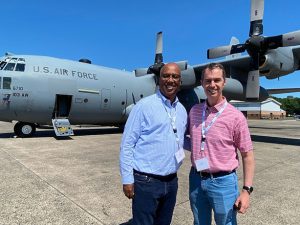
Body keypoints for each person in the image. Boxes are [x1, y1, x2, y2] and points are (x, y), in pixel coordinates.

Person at [120, 63, 187, 225]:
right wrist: (127, 179)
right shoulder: (143, 106)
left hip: (171, 182)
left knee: (164, 222)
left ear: (180, 81)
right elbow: (127, 144)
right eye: (166, 76)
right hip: (146, 182)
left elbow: (181, 137)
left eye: (175, 76)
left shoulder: (182, 110)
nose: (170, 80)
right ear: (159, 79)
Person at [188, 63, 255, 225]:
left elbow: (247, 155)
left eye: (217, 80)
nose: (212, 85)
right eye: (208, 80)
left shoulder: (236, 117)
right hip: (196, 179)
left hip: (223, 182)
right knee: (199, 222)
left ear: (224, 82)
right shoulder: (194, 111)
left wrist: (246, 191)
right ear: (202, 83)